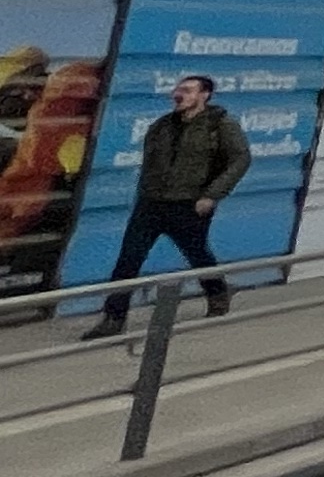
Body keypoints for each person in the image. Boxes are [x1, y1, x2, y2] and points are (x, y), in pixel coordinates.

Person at [82, 72, 249, 338]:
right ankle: (113, 318)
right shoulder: (161, 126)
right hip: (151, 204)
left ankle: (218, 292)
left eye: (188, 90)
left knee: (197, 254)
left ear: (204, 95)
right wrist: (144, 195)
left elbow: (240, 160)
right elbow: (149, 163)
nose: (179, 94)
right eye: (178, 90)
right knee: (128, 260)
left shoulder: (220, 125)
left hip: (189, 204)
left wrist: (212, 195)